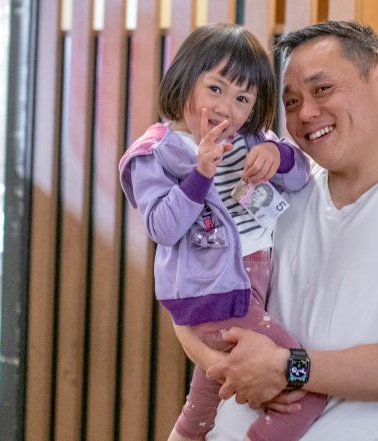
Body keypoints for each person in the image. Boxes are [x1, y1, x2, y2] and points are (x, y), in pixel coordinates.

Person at [173, 20, 378, 440]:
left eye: (322, 90)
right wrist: (224, 365)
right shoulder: (273, 190)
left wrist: (285, 366)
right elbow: (190, 301)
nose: (306, 113)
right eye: (292, 100)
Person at [119, 24, 328, 441]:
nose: (226, 108)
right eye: (215, 88)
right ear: (186, 78)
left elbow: (303, 175)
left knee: (204, 401)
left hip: (247, 287)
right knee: (308, 389)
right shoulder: (156, 153)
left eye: (242, 98)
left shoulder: (251, 140)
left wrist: (278, 154)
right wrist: (199, 174)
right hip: (213, 293)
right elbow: (162, 227)